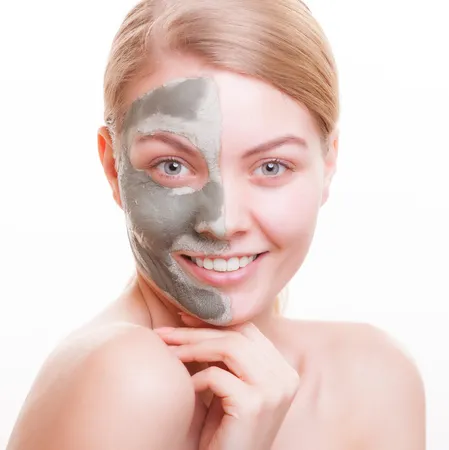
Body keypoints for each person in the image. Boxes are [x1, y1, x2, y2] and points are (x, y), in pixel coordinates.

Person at [7, 1, 425, 449]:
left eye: (271, 167)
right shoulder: (125, 377)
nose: (223, 223)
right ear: (113, 167)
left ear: (329, 162)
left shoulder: (374, 378)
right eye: (172, 166)